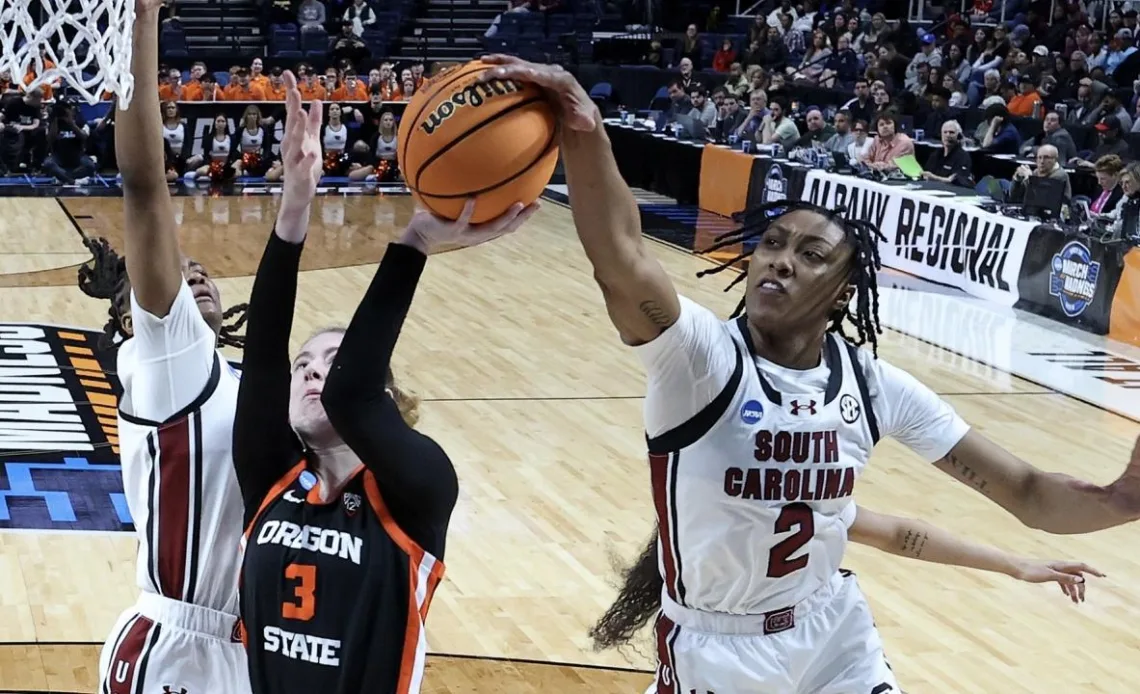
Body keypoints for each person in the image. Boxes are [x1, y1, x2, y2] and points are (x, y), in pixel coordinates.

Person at [479, 53, 1140, 694]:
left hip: (829, 633)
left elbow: (1024, 490)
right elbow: (620, 256)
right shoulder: (700, 358)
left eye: (810, 253)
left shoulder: (873, 386)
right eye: (771, 244)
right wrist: (584, 127)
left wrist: (1122, 501)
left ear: (844, 291)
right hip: (719, 649)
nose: (780, 262)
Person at [233, 70, 537, 692]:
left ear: (385, 397)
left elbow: (351, 396)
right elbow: (262, 353)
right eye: (306, 365)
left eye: (335, 359)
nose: (316, 370)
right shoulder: (270, 474)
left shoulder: (419, 490)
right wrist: (294, 199)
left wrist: (416, 241)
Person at [76, 1, 251, 691]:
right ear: (137, 316)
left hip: (244, 640)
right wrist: (141, 22)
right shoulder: (164, 357)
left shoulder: (228, 374)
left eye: (204, 271)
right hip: (177, 644)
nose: (197, 274)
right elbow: (146, 189)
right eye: (183, 272)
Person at [922, 119, 972, 186]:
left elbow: (957, 181)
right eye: (945, 132)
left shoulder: (963, 156)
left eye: (951, 132)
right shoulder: (935, 154)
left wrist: (935, 178)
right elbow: (926, 173)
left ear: (958, 136)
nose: (947, 135)